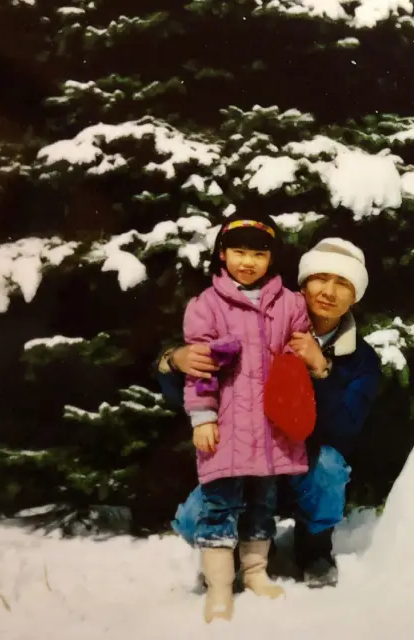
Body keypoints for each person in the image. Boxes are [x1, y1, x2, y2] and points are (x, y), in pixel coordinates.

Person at [157, 237, 382, 589]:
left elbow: (345, 428)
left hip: (301, 465)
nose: (329, 291)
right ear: (304, 283)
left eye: (343, 284)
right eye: (321, 278)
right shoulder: (258, 321)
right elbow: (192, 387)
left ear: (355, 297)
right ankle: (237, 548)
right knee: (191, 519)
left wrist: (320, 370)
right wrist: (174, 361)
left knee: (330, 467)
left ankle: (314, 547)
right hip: (246, 454)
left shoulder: (361, 359)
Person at [180, 211, 319, 623]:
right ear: (222, 254)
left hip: (272, 428)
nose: (247, 262)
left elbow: (296, 359)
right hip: (226, 427)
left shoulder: (291, 303)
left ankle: (256, 571)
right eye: (238, 252)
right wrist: (202, 417)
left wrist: (306, 360)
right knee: (220, 506)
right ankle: (220, 588)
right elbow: (200, 367)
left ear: (271, 259)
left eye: (258, 254)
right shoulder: (207, 306)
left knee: (263, 503)